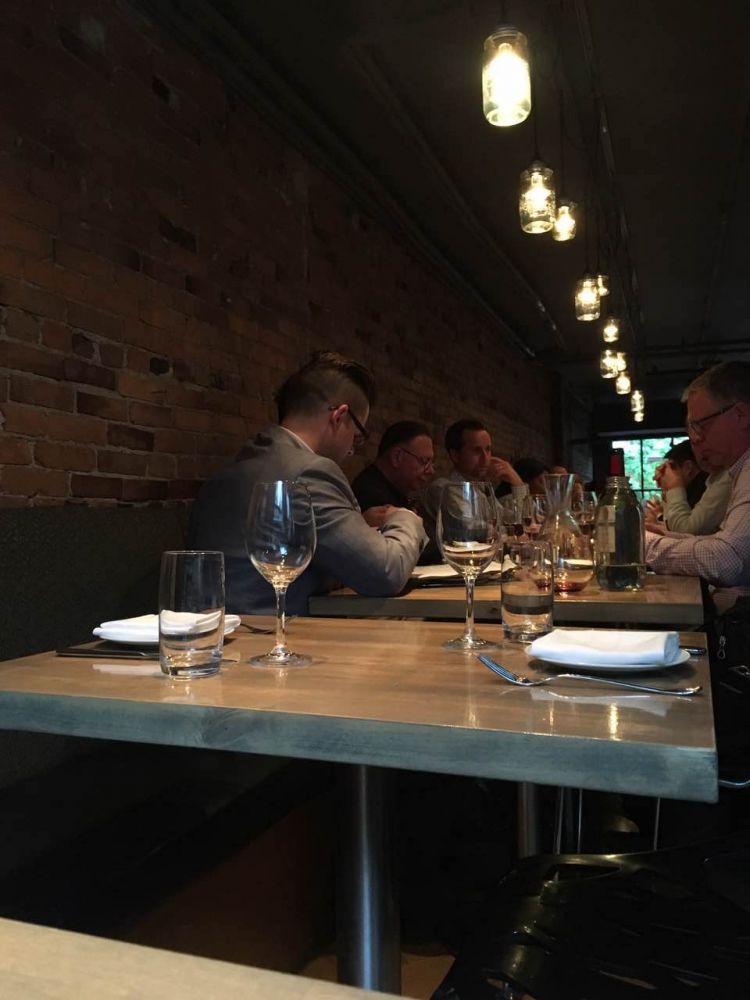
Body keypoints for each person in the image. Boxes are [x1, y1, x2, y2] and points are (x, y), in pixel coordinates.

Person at [188, 351, 427, 614]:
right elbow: (386, 573)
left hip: (212, 628)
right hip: (275, 630)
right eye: (357, 436)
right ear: (340, 417)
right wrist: (404, 518)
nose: (352, 450)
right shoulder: (310, 472)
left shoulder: (236, 466)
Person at [645, 361, 750, 615]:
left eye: (700, 424)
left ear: (740, 415)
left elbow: (728, 560)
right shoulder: (738, 470)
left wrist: (644, 545)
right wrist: (666, 537)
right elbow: (724, 543)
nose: (694, 438)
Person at [416, 419, 520, 560]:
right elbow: (469, 530)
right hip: (451, 569)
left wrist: (517, 482)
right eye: (477, 451)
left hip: (481, 566)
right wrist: (513, 533)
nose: (485, 458)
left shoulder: (482, 490)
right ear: (455, 455)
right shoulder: (444, 488)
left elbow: (515, 519)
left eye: (488, 449)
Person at [646, 439, 731, 536]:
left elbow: (685, 529)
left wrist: (673, 488)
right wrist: (666, 489)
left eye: (671, 469)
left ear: (688, 467)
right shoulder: (703, 482)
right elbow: (673, 526)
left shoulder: (715, 482)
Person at [351, 420, 434, 513]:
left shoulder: (393, 490)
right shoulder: (373, 499)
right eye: (424, 461)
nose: (431, 471)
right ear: (396, 456)